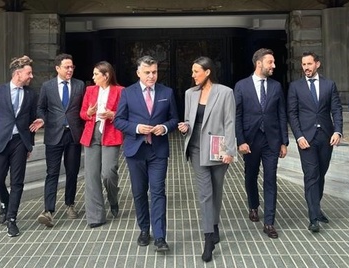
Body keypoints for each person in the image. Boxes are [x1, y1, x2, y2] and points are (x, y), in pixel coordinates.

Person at [114, 55, 179, 252]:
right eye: (148, 72)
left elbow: (174, 118)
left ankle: (160, 236)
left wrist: (165, 128)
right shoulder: (128, 93)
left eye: (155, 72)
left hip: (158, 151)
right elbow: (118, 120)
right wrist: (136, 128)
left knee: (158, 192)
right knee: (139, 193)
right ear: (138, 73)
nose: (152, 76)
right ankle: (144, 229)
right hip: (135, 150)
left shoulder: (166, 92)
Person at [177, 57, 237, 263]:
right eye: (192, 71)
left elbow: (230, 122)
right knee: (205, 193)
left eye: (196, 71)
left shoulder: (225, 92)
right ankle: (208, 238)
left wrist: (230, 150)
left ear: (208, 72)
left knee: (217, 191)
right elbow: (188, 119)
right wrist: (184, 126)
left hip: (218, 149)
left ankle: (214, 225)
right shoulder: (189, 94)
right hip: (196, 149)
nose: (192, 75)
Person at [0, 55, 38, 238]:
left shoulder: (31, 94)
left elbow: (32, 122)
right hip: (0, 142)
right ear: (18, 74)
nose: (31, 76)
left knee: (17, 182)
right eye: (29, 73)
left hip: (20, 142)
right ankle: (5, 202)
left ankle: (12, 219)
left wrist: (29, 144)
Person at [234, 48, 289, 239]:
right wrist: (240, 141)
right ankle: (253, 206)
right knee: (250, 176)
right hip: (251, 140)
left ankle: (269, 222)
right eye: (270, 62)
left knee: (270, 179)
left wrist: (284, 142)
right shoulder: (241, 86)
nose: (274, 66)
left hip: (272, 141)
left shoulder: (276, 86)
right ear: (259, 64)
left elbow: (282, 114)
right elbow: (237, 115)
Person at [287, 52, 343, 233]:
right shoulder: (295, 87)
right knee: (311, 175)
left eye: (309, 64)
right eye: (303, 64)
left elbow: (336, 109)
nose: (306, 68)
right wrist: (299, 136)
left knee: (321, 173)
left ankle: (316, 208)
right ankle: (313, 218)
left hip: (326, 136)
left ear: (317, 64)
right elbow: (292, 114)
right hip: (306, 139)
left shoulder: (329, 85)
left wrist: (338, 131)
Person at [29, 53, 85, 228]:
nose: (70, 70)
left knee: (72, 172)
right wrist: (43, 119)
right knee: (52, 172)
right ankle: (49, 210)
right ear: (57, 68)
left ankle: (70, 204)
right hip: (54, 135)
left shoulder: (80, 85)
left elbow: (83, 108)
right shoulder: (47, 86)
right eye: (66, 67)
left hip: (73, 135)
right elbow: (41, 107)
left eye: (72, 67)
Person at [80, 61, 124, 228]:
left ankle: (113, 198)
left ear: (106, 76)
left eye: (96, 74)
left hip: (111, 133)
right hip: (92, 133)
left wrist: (112, 114)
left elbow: (124, 113)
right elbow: (82, 113)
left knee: (108, 172)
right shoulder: (90, 90)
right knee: (91, 176)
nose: (93, 77)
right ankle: (95, 217)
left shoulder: (120, 91)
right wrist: (89, 113)